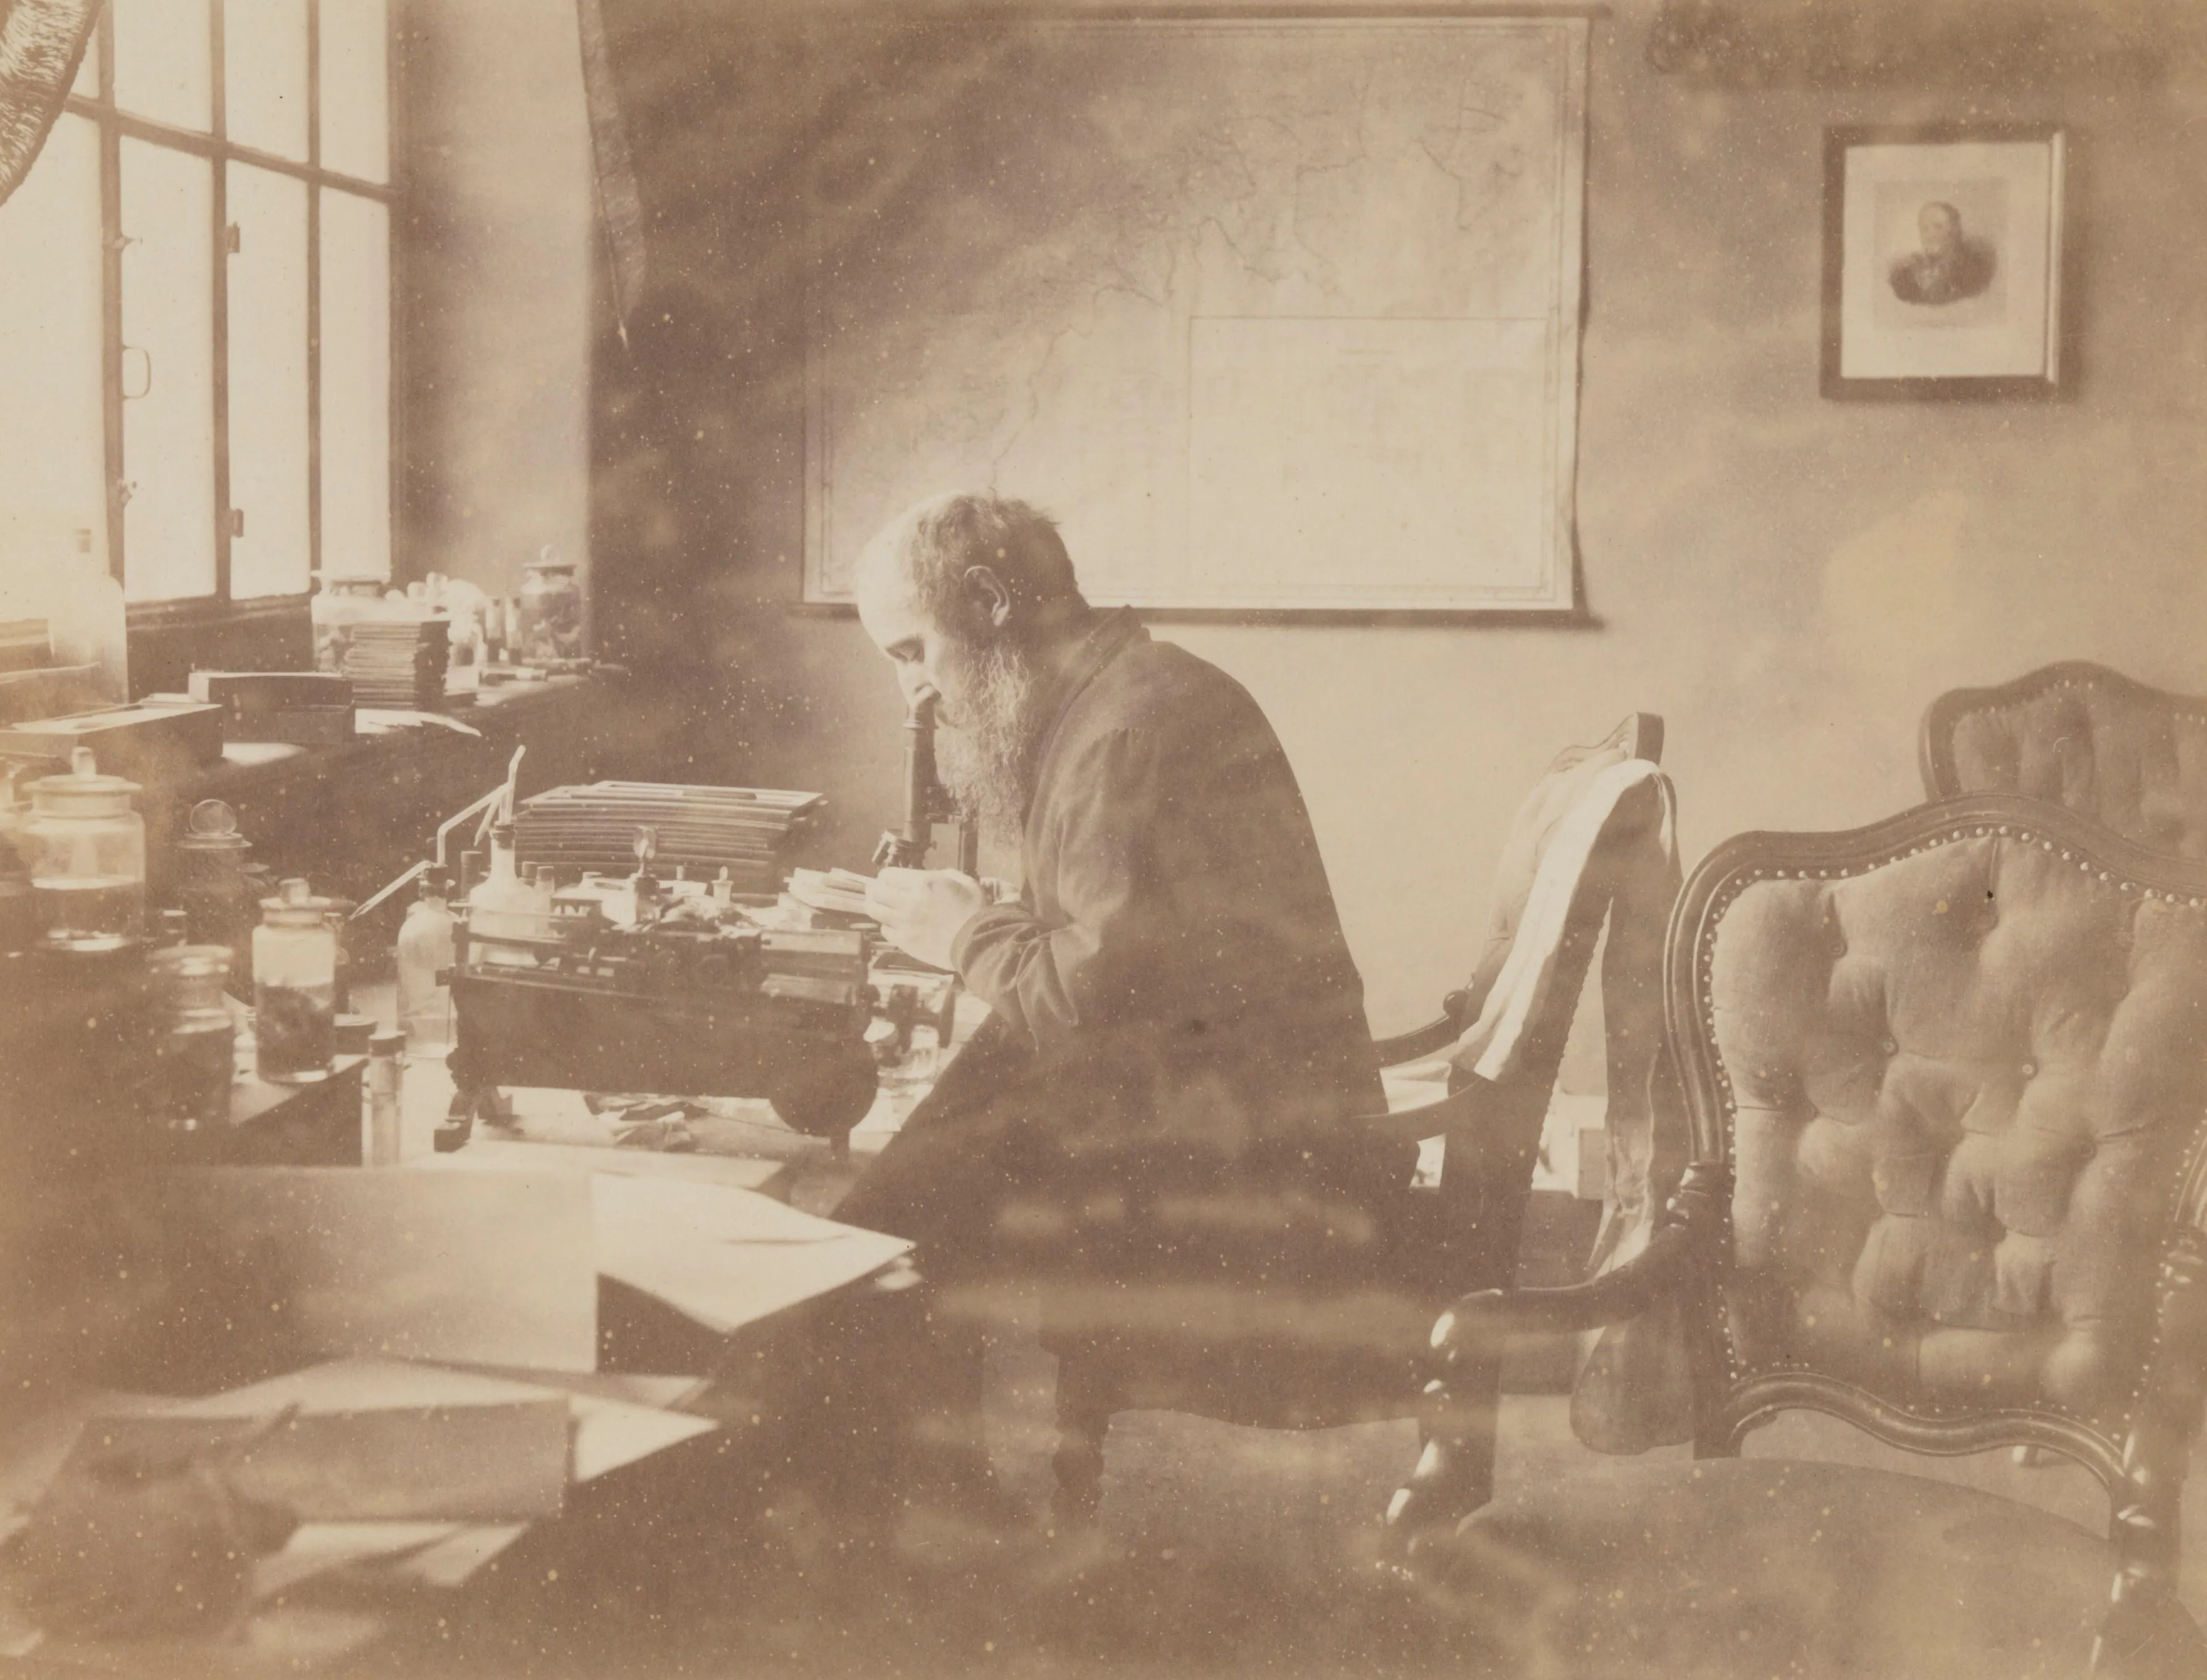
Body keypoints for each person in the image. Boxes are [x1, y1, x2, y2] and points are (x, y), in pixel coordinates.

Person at [836, 490, 1409, 1525]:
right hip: (1238, 1111)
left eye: (912, 652)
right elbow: (1120, 970)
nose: (910, 693)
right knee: (918, 1167)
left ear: (987, 602)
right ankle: (941, 1494)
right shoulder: (1130, 695)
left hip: (1251, 1168)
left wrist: (962, 935)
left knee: (875, 1231)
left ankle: (914, 1523)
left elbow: (1084, 1004)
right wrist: (985, 925)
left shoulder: (1123, 736)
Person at [1888, 199, 1996, 307]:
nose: (1930, 236)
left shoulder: (1973, 270)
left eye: (1938, 227)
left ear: (1956, 230)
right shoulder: (1907, 273)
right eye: (1925, 229)